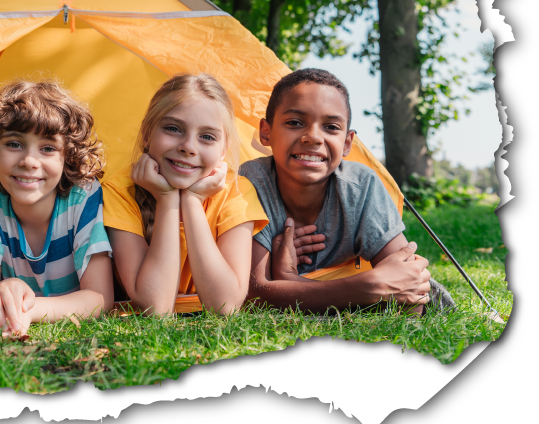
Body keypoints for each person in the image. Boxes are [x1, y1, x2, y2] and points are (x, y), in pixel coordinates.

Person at [240, 68, 454, 315]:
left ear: (347, 143)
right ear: (266, 132)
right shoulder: (252, 181)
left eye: (331, 127)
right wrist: (371, 288)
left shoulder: (361, 187)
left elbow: (410, 293)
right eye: (294, 123)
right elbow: (252, 295)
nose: (313, 137)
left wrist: (288, 280)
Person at [0, 80, 114, 340]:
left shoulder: (83, 195)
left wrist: (27, 310)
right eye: (14, 144)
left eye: (48, 148)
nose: (28, 162)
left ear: (68, 157)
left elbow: (99, 298)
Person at [103, 73, 270, 315]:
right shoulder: (118, 191)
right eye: (173, 128)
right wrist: (167, 198)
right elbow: (155, 307)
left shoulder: (237, 191)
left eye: (207, 137)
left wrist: (192, 201)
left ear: (223, 150)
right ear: (147, 134)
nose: (188, 147)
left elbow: (226, 306)